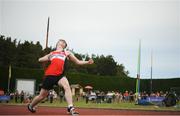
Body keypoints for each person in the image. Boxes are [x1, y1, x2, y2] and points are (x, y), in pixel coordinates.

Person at [27, 39, 94, 115]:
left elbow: (78, 62)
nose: (61, 42)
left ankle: (70, 107)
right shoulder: (52, 53)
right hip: (49, 75)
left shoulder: (66, 52)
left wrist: (87, 62)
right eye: (60, 41)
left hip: (60, 75)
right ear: (57, 44)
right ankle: (31, 106)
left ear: (64, 45)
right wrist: (42, 58)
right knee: (42, 96)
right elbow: (40, 59)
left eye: (63, 42)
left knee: (67, 86)